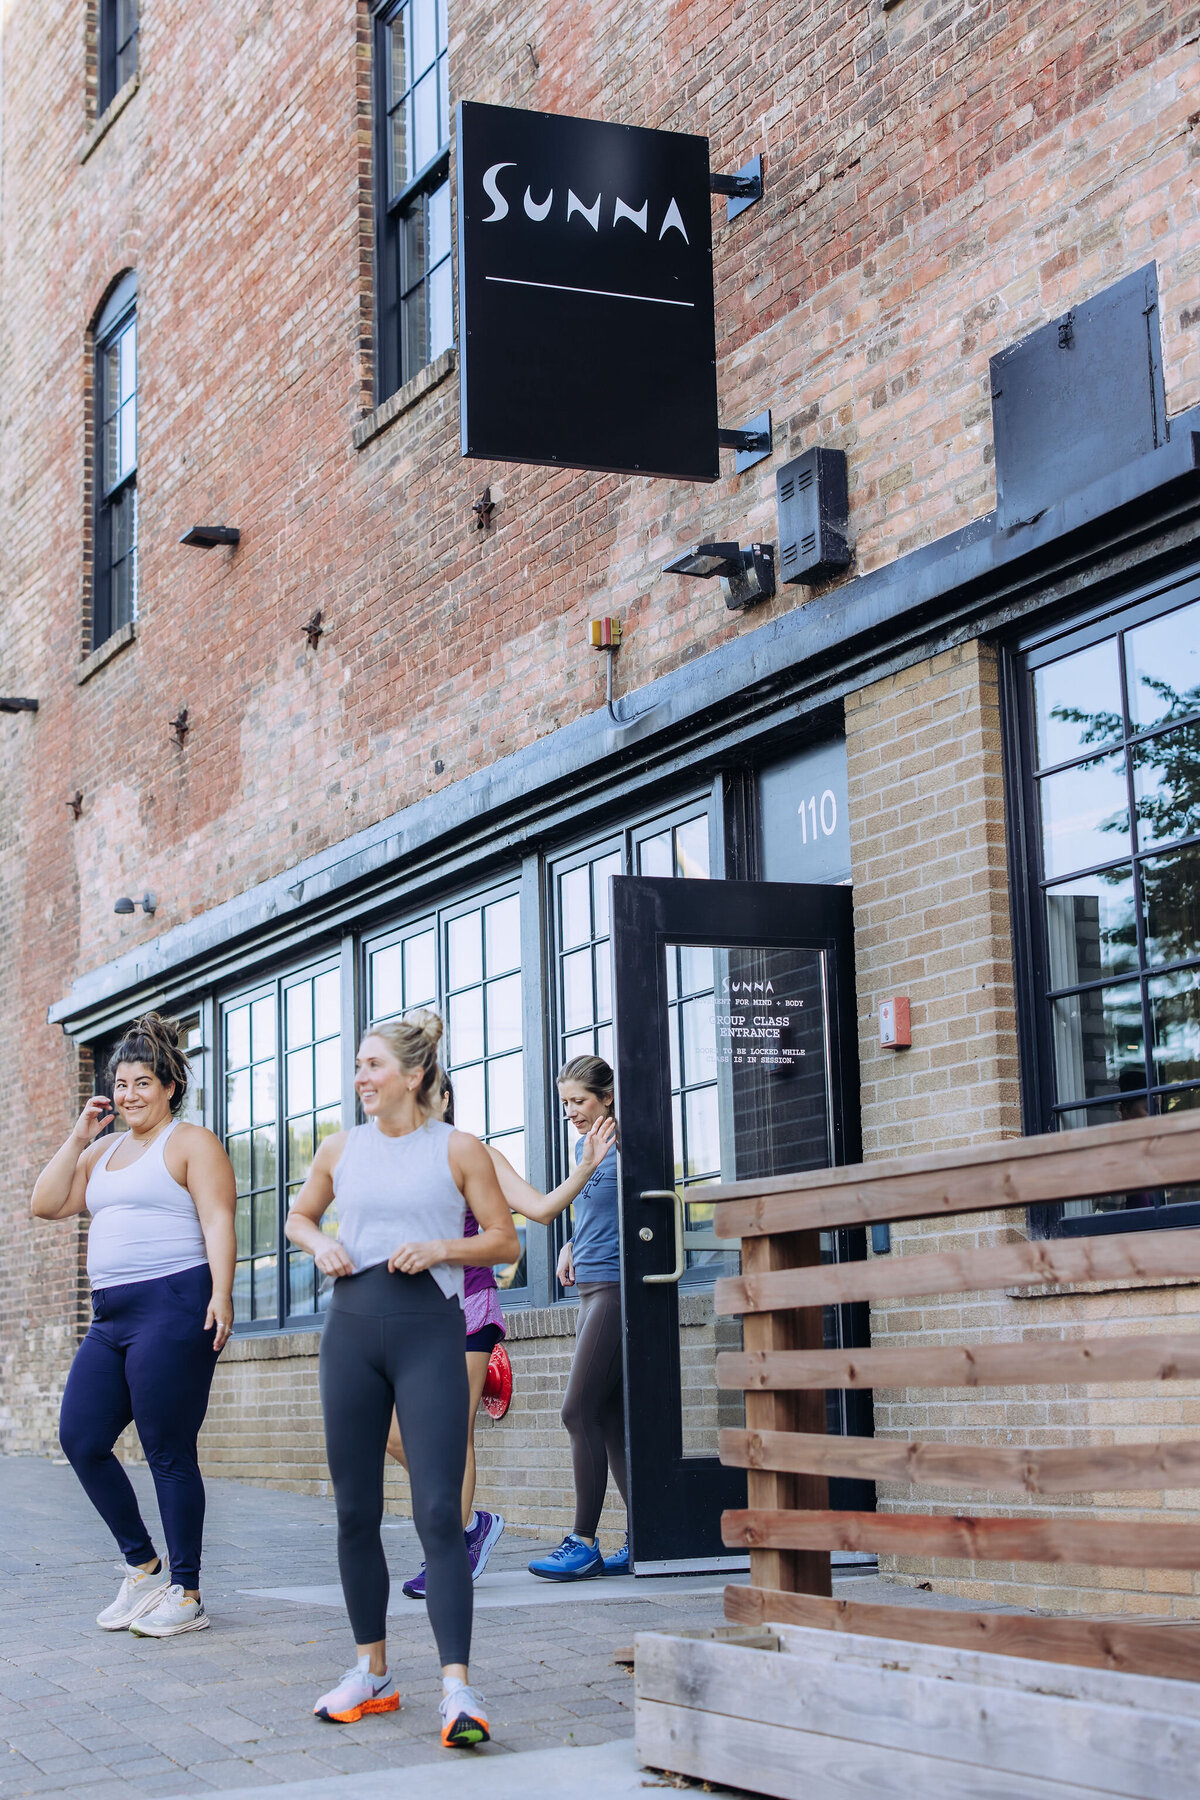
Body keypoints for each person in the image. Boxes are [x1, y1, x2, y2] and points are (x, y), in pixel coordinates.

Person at [285, 1011, 519, 1748]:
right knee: (355, 1511)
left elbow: (506, 1240)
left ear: (413, 1076)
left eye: (374, 1065)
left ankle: (458, 1690)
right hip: (350, 1333)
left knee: (438, 1511)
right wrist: (319, 1243)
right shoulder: (339, 1148)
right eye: (358, 1065)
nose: (361, 1077)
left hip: (428, 1331)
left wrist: (441, 1248)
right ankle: (372, 1673)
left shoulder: (458, 1148)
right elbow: (298, 1217)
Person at [30, 1013, 236, 1638]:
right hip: (111, 1314)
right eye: (121, 1084)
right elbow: (45, 1202)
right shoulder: (103, 1151)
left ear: (170, 1086)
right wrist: (78, 1137)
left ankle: (187, 1592)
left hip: (175, 1303)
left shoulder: (191, 1142)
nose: (129, 1095)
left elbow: (218, 1220)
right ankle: (144, 1567)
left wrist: (221, 1294)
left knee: (166, 1447)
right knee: (81, 1437)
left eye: (143, 1082)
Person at [389, 1072, 616, 1599]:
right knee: (392, 1431)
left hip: (468, 1309)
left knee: (453, 1433)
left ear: (444, 1099)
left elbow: (540, 1209)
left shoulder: (480, 1157)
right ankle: (471, 1525)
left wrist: (585, 1167)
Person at [523, 1055, 629, 1583]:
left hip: (615, 1290)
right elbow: (596, 1212)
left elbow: (644, 1214)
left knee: (576, 1411)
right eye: (565, 1102)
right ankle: (647, 1533)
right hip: (588, 1287)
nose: (570, 1111)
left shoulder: (630, 1147)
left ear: (607, 1097)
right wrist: (570, 1243)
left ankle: (583, 1542)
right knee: (607, 1417)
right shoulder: (585, 1148)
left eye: (579, 1101)